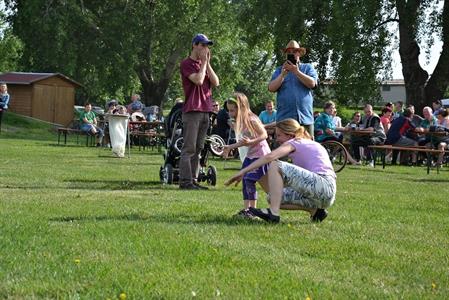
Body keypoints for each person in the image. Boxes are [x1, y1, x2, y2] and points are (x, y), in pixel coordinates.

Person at [225, 118, 336, 223]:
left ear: (289, 135)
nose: (277, 139)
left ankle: (273, 213)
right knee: (273, 198)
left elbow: (270, 157)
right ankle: (316, 212)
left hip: (324, 185)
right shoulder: (306, 143)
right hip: (325, 194)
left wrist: (243, 171)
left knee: (275, 164)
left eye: (279, 135)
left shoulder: (296, 141)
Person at [179, 33, 219, 190]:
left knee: (199, 148)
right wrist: (203, 64)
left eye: (207, 45)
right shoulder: (186, 64)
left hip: (205, 110)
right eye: (203, 45)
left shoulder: (204, 64)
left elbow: (216, 82)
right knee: (189, 148)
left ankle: (193, 180)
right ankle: (185, 181)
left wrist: (207, 63)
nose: (205, 48)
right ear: (194, 45)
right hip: (192, 110)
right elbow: (198, 80)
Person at [221, 93, 271, 217]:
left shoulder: (252, 119)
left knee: (250, 180)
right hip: (250, 156)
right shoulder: (241, 121)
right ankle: (247, 209)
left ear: (242, 107)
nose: (231, 114)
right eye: (229, 111)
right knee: (245, 181)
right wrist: (229, 147)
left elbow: (264, 135)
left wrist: (252, 142)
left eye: (233, 110)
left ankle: (252, 211)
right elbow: (243, 141)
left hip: (261, 156)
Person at [268, 40, 318, 138]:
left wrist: (296, 71)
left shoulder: (307, 68)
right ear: (286, 54)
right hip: (284, 119)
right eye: (289, 52)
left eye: (294, 51)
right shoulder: (279, 70)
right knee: (284, 151)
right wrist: (282, 75)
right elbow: (271, 88)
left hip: (305, 119)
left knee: (307, 150)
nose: (291, 53)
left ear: (299, 53)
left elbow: (312, 84)